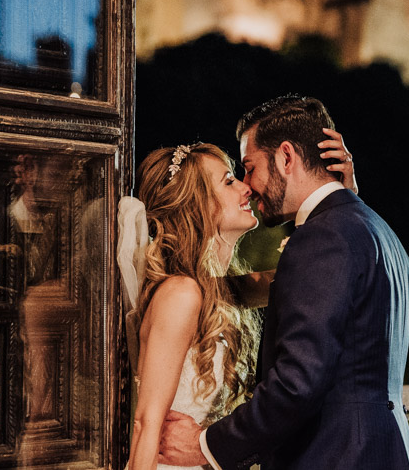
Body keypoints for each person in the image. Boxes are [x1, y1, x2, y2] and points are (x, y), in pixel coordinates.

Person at [159, 94, 409, 470]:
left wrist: (207, 446)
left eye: (249, 167)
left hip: (333, 457)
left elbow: (297, 384)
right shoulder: (379, 232)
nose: (247, 185)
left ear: (285, 157)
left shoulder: (323, 238)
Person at [120, 130, 357, 470]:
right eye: (229, 181)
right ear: (198, 203)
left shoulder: (219, 290)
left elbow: (311, 278)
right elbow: (146, 424)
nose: (247, 187)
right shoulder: (181, 293)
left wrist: (341, 197)